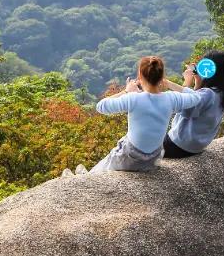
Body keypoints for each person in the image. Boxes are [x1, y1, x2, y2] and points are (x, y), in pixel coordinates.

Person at [73, 55, 204, 174]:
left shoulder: (133, 99)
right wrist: (169, 83)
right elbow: (196, 97)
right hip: (153, 158)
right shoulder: (171, 98)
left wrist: (126, 91)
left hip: (130, 158)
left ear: (140, 76)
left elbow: (101, 106)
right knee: (121, 146)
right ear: (161, 77)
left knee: (104, 165)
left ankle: (85, 176)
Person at [160, 50, 224, 158]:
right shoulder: (221, 93)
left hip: (178, 145)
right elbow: (199, 103)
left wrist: (182, 82)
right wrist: (198, 82)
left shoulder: (208, 93)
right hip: (196, 147)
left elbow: (186, 106)